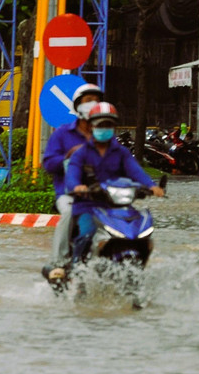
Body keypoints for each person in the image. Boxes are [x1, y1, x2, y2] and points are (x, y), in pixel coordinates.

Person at [63, 102, 164, 263]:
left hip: (117, 206)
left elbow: (135, 171)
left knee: (142, 234)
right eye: (100, 124)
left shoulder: (121, 152)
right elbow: (72, 176)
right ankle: (76, 270)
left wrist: (151, 186)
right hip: (88, 205)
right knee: (87, 233)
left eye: (108, 124)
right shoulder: (81, 154)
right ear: (91, 127)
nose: (104, 128)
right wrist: (77, 186)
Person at [42, 82, 105, 282]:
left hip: (98, 195)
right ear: (78, 106)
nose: (92, 105)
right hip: (69, 195)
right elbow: (48, 163)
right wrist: (69, 156)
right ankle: (59, 262)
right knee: (70, 211)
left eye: (96, 101)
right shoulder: (62, 133)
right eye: (88, 101)